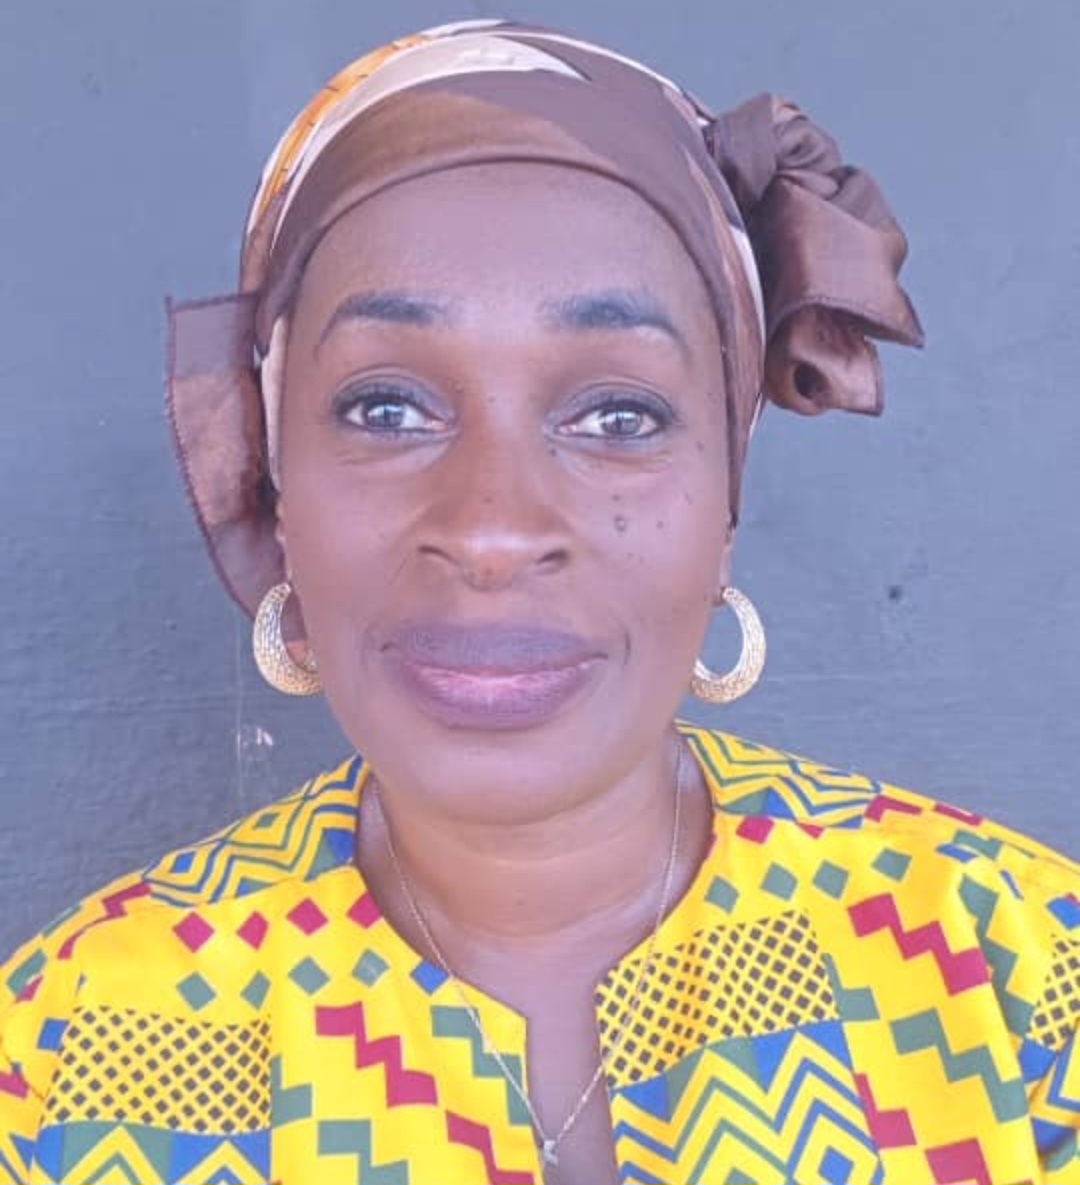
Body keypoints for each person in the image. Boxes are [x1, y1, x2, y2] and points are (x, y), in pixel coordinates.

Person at [1, 18, 1077, 1185]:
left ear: (724, 499)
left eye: (618, 415)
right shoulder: (68, 1050)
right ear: (275, 492)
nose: (492, 529)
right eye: (385, 408)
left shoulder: (1017, 985)